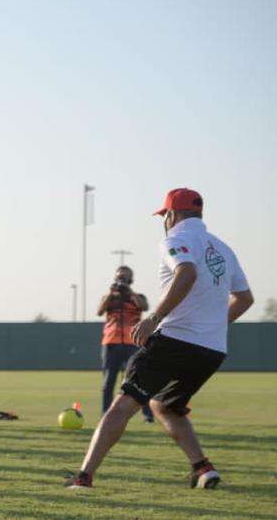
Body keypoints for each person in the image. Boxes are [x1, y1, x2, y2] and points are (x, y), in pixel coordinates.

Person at [67, 188, 253, 490]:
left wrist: (153, 318)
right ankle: (203, 468)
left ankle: (83, 477)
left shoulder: (174, 239)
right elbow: (244, 298)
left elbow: (186, 273)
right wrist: (212, 327)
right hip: (211, 350)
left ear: (170, 214)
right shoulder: (223, 249)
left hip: (174, 341)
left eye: (164, 215)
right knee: (164, 406)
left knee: (122, 406)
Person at [96, 266, 154, 423]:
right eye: (120, 277)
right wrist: (110, 292)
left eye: (126, 278)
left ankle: (148, 415)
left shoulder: (137, 297)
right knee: (108, 382)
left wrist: (130, 292)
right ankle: (105, 415)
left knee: (139, 380)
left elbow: (144, 307)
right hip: (111, 343)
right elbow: (99, 311)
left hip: (132, 343)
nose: (122, 280)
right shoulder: (110, 297)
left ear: (131, 279)